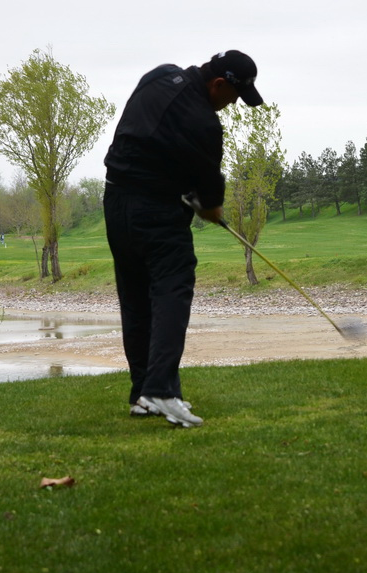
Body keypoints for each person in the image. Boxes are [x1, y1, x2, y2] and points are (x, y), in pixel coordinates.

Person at [102, 50, 264, 428]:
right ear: (218, 84)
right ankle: (161, 390)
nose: (233, 105)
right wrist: (205, 206)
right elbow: (211, 205)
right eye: (234, 96)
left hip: (115, 203)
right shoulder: (205, 124)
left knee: (136, 298)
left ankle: (142, 393)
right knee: (173, 289)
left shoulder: (160, 75)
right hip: (155, 212)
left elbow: (149, 135)